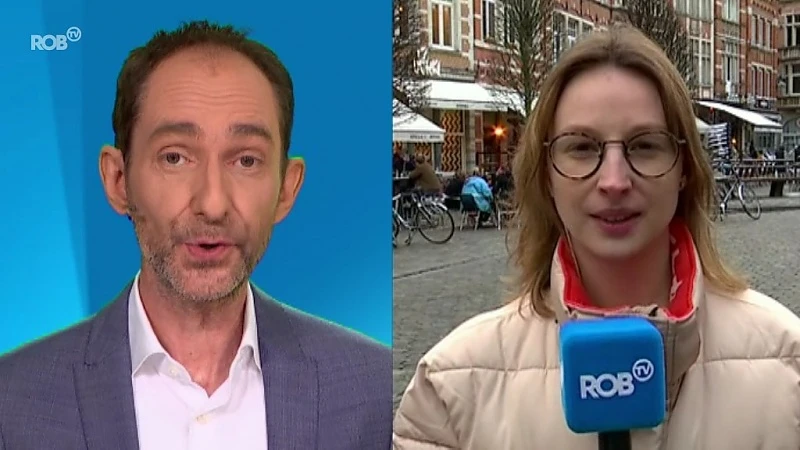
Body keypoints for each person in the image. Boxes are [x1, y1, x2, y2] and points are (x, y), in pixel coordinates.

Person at [393, 24, 800, 449]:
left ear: (685, 169)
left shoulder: (789, 368)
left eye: (645, 146)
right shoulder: (452, 389)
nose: (614, 180)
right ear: (546, 174)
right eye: (582, 148)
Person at [0, 21, 391, 450]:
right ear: (118, 180)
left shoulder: (371, 390)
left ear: (286, 188)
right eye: (175, 157)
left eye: (245, 160)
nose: (212, 203)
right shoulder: (13, 401)